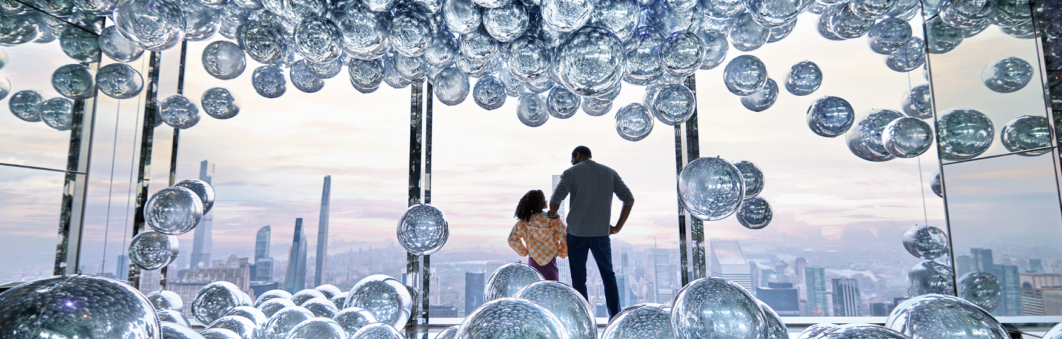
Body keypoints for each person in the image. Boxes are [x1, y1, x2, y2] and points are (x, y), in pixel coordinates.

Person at [548, 145, 634, 318]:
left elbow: (555, 200)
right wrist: (617, 227)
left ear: (577, 155)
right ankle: (615, 317)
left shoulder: (571, 173)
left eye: (572, 159)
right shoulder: (610, 173)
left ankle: (585, 320)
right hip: (601, 235)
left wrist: (552, 216)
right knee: (608, 277)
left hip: (576, 235)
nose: (572, 163)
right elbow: (629, 199)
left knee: (579, 280)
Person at [508, 189, 568, 281]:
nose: (546, 201)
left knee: (534, 289)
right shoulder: (553, 219)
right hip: (551, 263)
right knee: (552, 288)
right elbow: (565, 238)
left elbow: (512, 239)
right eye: (544, 199)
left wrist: (524, 251)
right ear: (539, 203)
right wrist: (561, 252)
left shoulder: (524, 221)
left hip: (533, 262)